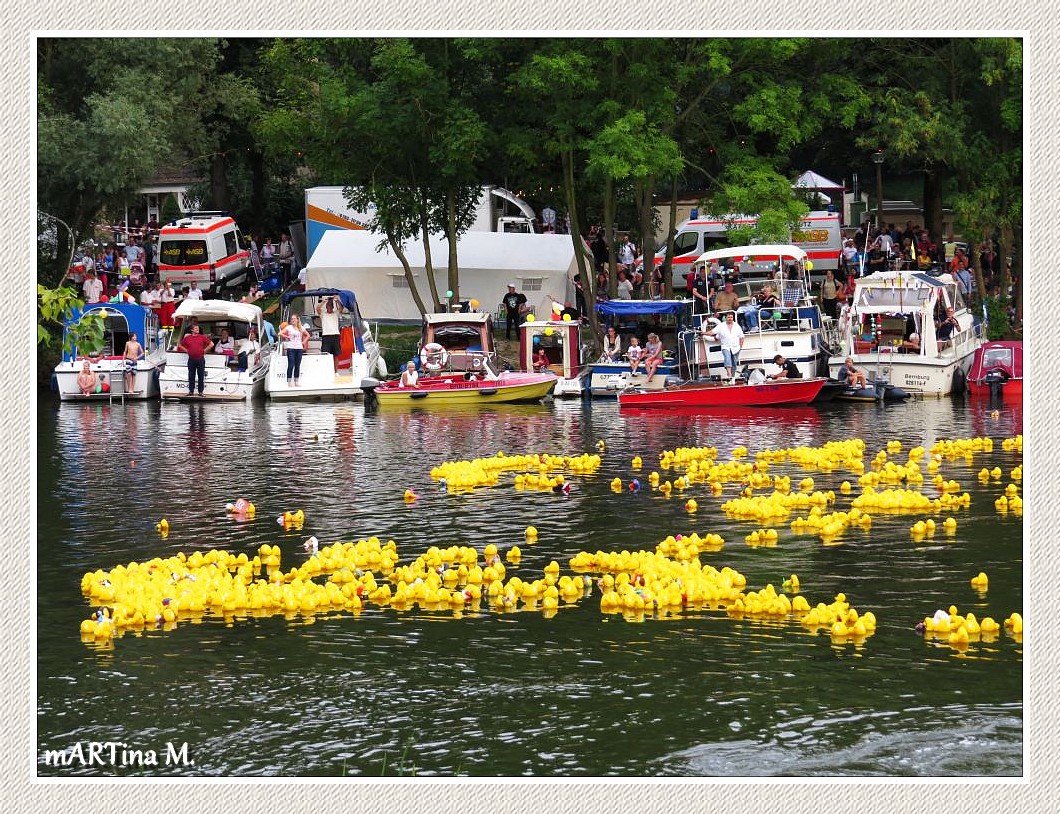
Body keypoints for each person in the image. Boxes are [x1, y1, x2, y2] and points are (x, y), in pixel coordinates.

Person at [704, 311, 744, 382]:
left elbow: (741, 337)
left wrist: (740, 346)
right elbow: (712, 332)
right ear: (725, 318)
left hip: (736, 347)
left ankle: (733, 377)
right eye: (728, 317)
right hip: (725, 346)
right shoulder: (721, 326)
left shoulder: (737, 326)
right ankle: (729, 373)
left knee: (734, 363)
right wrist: (703, 333)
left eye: (731, 317)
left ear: (733, 318)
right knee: (727, 357)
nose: (730, 318)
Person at [177, 322, 213, 397]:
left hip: (200, 359)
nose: (198, 330)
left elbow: (211, 344)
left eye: (198, 328)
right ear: (192, 330)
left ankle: (200, 392)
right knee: (191, 375)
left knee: (201, 376)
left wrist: (204, 351)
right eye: (196, 328)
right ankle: (191, 391)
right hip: (191, 359)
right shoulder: (187, 338)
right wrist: (187, 350)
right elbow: (180, 345)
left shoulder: (202, 337)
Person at [316, 294, 344, 370]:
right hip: (326, 336)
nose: (329, 307)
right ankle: (327, 370)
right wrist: (323, 302)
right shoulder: (323, 314)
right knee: (325, 354)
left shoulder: (336, 313)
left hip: (335, 335)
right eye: (328, 305)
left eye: (331, 306)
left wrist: (337, 300)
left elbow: (341, 308)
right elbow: (318, 309)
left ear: (333, 307)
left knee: (336, 355)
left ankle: (336, 372)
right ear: (326, 307)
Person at [281, 314, 309, 386]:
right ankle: (289, 381)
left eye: (294, 319)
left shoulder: (301, 327)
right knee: (291, 364)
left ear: (297, 319)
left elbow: (308, 335)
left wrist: (303, 342)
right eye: (292, 319)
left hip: (299, 348)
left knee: (297, 365)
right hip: (291, 348)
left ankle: (296, 381)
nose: (293, 320)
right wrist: (286, 336)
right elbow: (280, 333)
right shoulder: (289, 327)